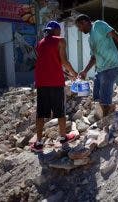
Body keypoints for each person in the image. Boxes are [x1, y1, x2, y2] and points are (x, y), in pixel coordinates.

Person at [31, 21, 78, 152]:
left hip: (41, 82)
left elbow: (49, 63)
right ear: (56, 31)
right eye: (59, 31)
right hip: (56, 83)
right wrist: (74, 73)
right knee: (60, 110)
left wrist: (66, 73)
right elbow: (63, 61)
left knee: (41, 112)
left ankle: (38, 143)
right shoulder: (60, 40)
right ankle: (63, 137)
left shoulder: (40, 43)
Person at [75, 14, 118, 116]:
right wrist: (85, 71)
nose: (79, 30)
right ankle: (108, 111)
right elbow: (94, 58)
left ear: (84, 22)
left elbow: (116, 35)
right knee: (96, 95)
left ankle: (106, 119)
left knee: (105, 96)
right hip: (101, 69)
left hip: (112, 65)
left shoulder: (98, 25)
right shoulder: (90, 39)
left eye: (79, 26)